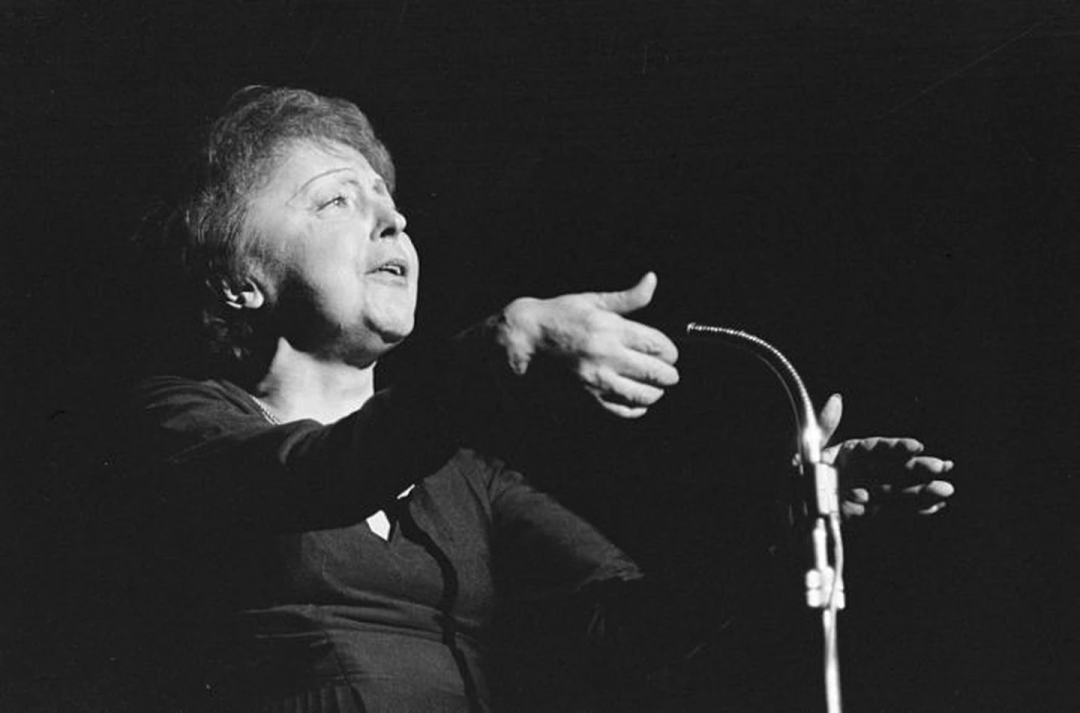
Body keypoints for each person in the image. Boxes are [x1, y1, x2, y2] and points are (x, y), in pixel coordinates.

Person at [118, 86, 955, 712]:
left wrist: (792, 522)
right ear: (238, 280)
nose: (392, 222)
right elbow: (313, 473)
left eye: (390, 202)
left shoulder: (465, 477)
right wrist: (501, 348)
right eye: (337, 199)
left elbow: (630, 622)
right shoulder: (179, 419)